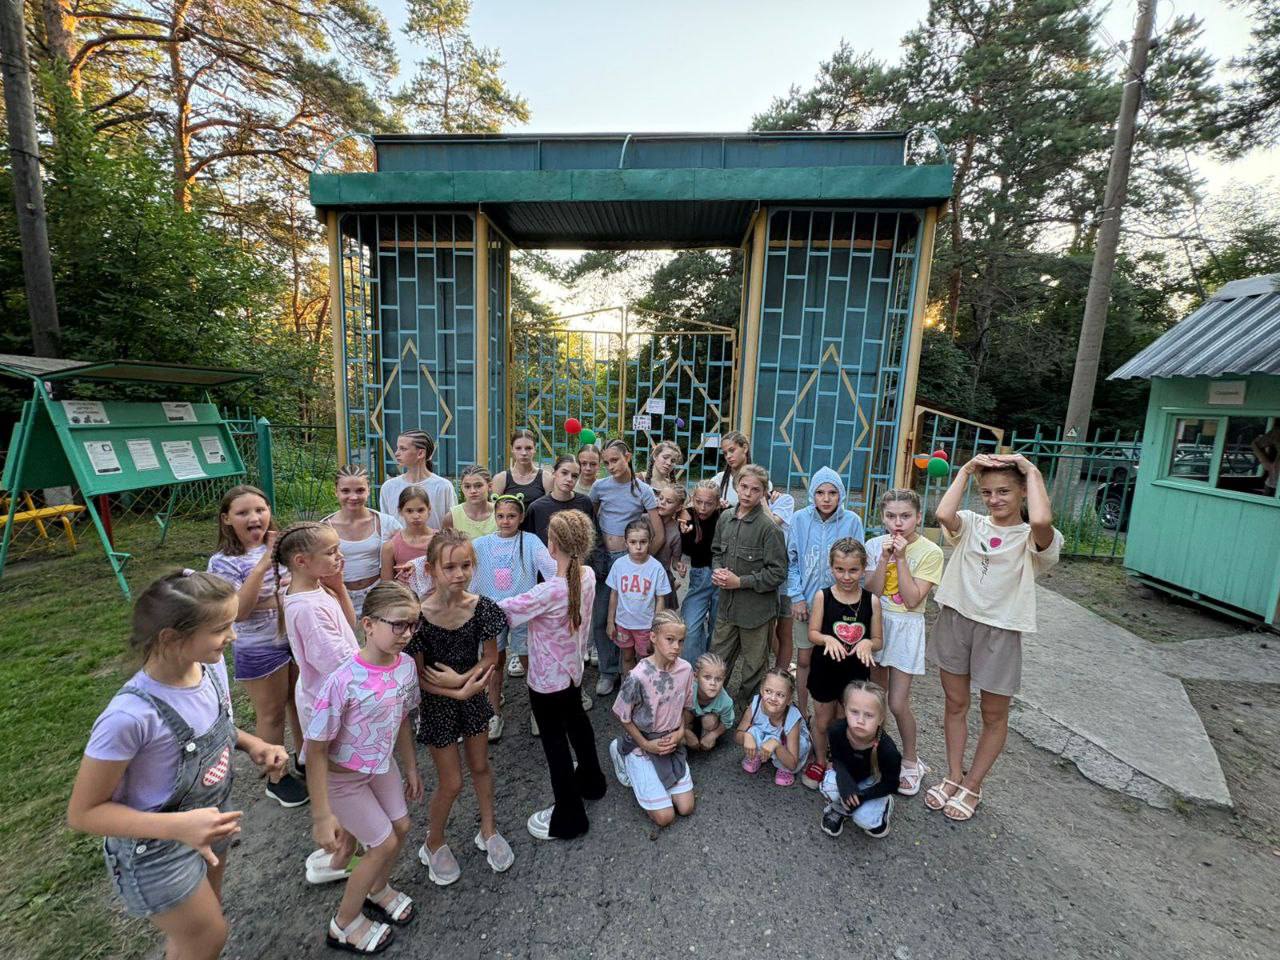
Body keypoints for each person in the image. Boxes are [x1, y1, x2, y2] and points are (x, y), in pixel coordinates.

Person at [68, 571, 288, 960]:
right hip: (156, 848)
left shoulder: (208, 667)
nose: (233, 636)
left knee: (200, 926)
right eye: (221, 629)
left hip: (209, 821)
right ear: (170, 638)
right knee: (208, 936)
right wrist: (179, 827)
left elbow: (215, 725)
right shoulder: (128, 718)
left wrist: (252, 743)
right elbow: (83, 813)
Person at [926, 454, 1062, 822]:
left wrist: (1031, 470)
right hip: (956, 620)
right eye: (987, 492)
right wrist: (966, 470)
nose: (994, 499)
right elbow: (943, 514)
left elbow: (1041, 520)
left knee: (993, 713)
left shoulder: (1033, 538)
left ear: (1023, 492)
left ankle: (973, 784)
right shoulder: (971, 524)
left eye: (1004, 491)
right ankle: (953, 775)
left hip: (1001, 630)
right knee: (955, 703)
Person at [304, 582, 422, 953]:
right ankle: (344, 923)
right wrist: (322, 815)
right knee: (383, 843)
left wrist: (411, 767)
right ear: (368, 624)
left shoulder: (405, 667)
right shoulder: (342, 681)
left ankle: (377, 888)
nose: (407, 634)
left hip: (381, 766)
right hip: (344, 781)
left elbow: (403, 718)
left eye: (413, 625)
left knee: (401, 827)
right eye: (398, 625)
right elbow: (316, 750)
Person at [408, 529, 514, 885]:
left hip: (473, 697)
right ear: (431, 569)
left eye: (466, 566)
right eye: (449, 567)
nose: (459, 574)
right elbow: (418, 676)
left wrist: (462, 681)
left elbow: (491, 657)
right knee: (451, 782)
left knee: (481, 766)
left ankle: (488, 830)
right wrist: (454, 689)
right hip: (438, 705)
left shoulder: (482, 607)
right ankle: (433, 842)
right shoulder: (418, 618)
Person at [498, 510, 608, 841]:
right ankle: (592, 781)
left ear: (552, 545)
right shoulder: (587, 576)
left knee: (555, 746)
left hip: (546, 682)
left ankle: (569, 817)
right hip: (573, 672)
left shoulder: (548, 592)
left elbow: (501, 611)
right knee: (578, 725)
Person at [206, 485, 307, 807]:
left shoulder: (284, 546)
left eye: (260, 510)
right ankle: (276, 778)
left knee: (299, 701)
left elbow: (300, 586)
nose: (254, 517)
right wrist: (265, 563)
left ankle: (304, 758)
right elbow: (239, 610)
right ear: (226, 519)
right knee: (272, 713)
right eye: (243, 512)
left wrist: (269, 598)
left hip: (295, 638)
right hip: (259, 647)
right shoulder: (223, 562)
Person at [276, 522, 362, 884]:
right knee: (344, 783)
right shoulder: (307, 608)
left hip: (329, 697)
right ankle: (341, 854)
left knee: (342, 778)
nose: (339, 556)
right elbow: (338, 662)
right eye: (331, 552)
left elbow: (349, 626)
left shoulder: (313, 588)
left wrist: (338, 587)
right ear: (301, 561)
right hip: (330, 704)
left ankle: (342, 848)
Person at [864, 489, 944, 797]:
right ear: (882, 517)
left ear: (918, 517)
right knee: (876, 697)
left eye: (906, 516)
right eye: (891, 516)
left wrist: (900, 558)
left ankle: (911, 760)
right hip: (877, 623)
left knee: (897, 702)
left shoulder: (930, 552)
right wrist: (884, 558)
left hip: (906, 629)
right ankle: (876, 752)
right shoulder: (874, 545)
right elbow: (872, 591)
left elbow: (912, 600)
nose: (898, 523)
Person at [470, 494, 558, 740]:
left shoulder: (530, 541)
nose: (505, 521)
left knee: (529, 660)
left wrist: (562, 587)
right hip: (491, 612)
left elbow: (550, 568)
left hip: (523, 611)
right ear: (494, 517)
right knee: (494, 663)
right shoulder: (480, 544)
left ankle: (538, 711)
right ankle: (493, 712)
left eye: (511, 516)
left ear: (521, 517)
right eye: (500, 516)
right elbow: (460, 561)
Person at [785, 467, 865, 723]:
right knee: (805, 659)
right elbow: (791, 561)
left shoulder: (852, 521)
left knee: (837, 659)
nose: (826, 498)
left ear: (841, 494)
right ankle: (802, 711)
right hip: (806, 603)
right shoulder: (799, 519)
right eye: (820, 492)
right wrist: (796, 596)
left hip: (840, 605)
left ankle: (837, 717)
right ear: (812, 494)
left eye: (832, 492)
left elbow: (859, 561)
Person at [801, 539, 882, 791]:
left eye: (853, 570)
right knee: (822, 721)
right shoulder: (823, 596)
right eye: (840, 570)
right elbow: (813, 633)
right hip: (825, 670)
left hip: (855, 674)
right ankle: (819, 759)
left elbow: (878, 640)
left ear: (863, 568)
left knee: (843, 721)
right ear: (831, 568)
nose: (846, 577)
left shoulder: (872, 601)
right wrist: (826, 639)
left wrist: (868, 642)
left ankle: (837, 760)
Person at [709, 464, 787, 712]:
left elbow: (778, 573)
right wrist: (717, 570)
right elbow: (716, 552)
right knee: (717, 661)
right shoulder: (725, 518)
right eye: (744, 487)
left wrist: (740, 582)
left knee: (754, 667)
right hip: (727, 608)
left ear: (763, 493)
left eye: (755, 490)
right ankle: (712, 710)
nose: (748, 493)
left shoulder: (769, 528)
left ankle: (748, 714)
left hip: (756, 613)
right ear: (736, 486)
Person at [589, 440, 665, 697]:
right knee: (602, 616)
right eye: (606, 462)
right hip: (603, 559)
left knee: (632, 615)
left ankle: (634, 674)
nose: (610, 466)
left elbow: (658, 534)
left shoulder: (643, 490)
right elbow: (591, 521)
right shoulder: (600, 487)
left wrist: (640, 563)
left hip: (628, 558)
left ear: (628, 457)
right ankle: (608, 671)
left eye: (615, 460)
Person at [606, 611, 696, 827]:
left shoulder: (686, 669)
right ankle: (622, 752)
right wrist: (646, 744)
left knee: (686, 807)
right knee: (665, 818)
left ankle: (658, 783)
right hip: (644, 743)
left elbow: (686, 707)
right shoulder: (638, 676)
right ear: (653, 637)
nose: (676, 647)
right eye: (670, 639)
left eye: (681, 641)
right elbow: (622, 715)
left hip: (671, 742)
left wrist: (681, 732)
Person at [819, 681, 901, 840]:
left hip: (873, 783)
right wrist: (844, 782)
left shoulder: (888, 751)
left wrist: (862, 796)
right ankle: (840, 808)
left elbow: (891, 784)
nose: (860, 720)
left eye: (869, 715)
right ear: (845, 709)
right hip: (848, 775)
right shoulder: (836, 730)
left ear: (880, 718)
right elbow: (836, 759)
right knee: (829, 786)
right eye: (854, 712)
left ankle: (884, 807)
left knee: (864, 819)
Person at [322, 465, 402, 618]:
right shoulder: (323, 528)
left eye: (360, 490)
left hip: (378, 596)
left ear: (368, 490)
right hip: (338, 597)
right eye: (345, 491)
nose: (353, 497)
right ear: (336, 491)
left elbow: (408, 546)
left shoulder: (386, 523)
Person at [606, 518, 672, 676]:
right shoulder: (619, 565)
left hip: (646, 626)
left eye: (643, 542)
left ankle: (646, 687)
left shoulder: (656, 568)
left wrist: (656, 628)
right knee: (627, 657)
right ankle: (629, 685)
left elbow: (660, 599)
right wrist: (610, 622)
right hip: (623, 624)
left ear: (650, 542)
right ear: (626, 543)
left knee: (646, 659)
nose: (638, 547)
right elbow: (614, 594)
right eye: (633, 542)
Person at [734, 668, 811, 787]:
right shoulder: (755, 705)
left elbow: (792, 764)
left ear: (789, 699)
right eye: (768, 691)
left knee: (799, 745)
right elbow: (737, 736)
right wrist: (747, 736)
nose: (773, 698)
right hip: (769, 737)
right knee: (751, 731)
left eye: (780, 695)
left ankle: (783, 768)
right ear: (761, 690)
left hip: (787, 745)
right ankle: (758, 754)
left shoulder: (792, 718)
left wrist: (777, 745)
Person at [678, 480, 723, 664]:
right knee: (689, 627)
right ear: (692, 499)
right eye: (698, 502)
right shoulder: (685, 516)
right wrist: (684, 532)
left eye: (709, 503)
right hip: (700, 577)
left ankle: (711, 670)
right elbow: (686, 550)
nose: (703, 508)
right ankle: (691, 672)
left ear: (717, 502)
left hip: (722, 577)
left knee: (718, 629)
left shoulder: (725, 515)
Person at [378, 429, 455, 529]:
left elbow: (451, 524)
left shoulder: (443, 486)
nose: (396, 453)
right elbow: (386, 526)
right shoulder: (389, 487)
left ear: (420, 453)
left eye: (403, 449)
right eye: (397, 448)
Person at [523, 455, 595, 545]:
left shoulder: (585, 502)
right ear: (554, 473)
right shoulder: (536, 508)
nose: (569, 479)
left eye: (574, 476)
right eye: (564, 473)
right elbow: (526, 542)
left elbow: (595, 538)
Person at [381, 486, 434, 590]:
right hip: (404, 598)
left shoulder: (440, 540)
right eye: (409, 511)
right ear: (400, 511)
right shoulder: (391, 547)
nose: (416, 516)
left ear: (429, 509)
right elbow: (387, 587)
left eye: (421, 510)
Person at [683, 652, 734, 752]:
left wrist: (713, 735)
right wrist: (685, 732)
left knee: (709, 721)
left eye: (718, 679)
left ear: (724, 680)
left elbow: (726, 722)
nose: (713, 683)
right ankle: (688, 728)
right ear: (695, 676)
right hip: (689, 713)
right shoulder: (687, 690)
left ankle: (704, 734)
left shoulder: (726, 701)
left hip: (708, 717)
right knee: (684, 717)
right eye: (707, 677)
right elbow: (674, 712)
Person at [492, 429, 553, 505]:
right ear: (512, 449)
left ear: (535, 449)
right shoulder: (500, 479)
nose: (524, 453)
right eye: (518, 448)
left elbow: (550, 509)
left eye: (528, 448)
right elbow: (495, 509)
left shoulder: (546, 478)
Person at [654, 483, 686, 612]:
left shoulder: (676, 532)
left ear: (678, 507)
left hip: (662, 579)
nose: (662, 503)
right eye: (660, 498)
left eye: (669, 501)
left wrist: (680, 567)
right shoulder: (645, 520)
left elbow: (675, 562)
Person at [442, 465, 497, 538]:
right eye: (467, 486)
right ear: (462, 488)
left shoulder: (501, 513)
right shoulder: (451, 517)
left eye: (478, 486)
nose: (473, 491)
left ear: (489, 486)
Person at [710, 430, 751, 506]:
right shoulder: (718, 480)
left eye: (732, 450)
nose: (728, 456)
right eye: (725, 453)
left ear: (745, 448)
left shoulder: (760, 480)